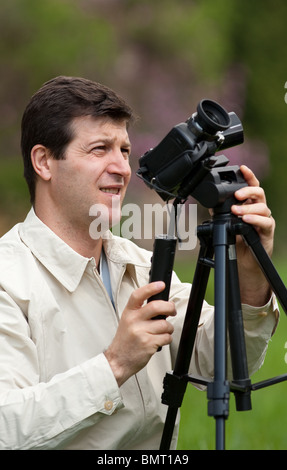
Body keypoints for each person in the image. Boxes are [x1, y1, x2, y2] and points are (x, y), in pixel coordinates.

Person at [0, 76, 278, 450]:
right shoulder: (9, 280)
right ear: (44, 162)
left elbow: (223, 361)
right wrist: (114, 365)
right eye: (100, 149)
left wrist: (250, 275)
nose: (122, 168)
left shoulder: (140, 264)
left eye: (124, 150)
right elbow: (6, 427)